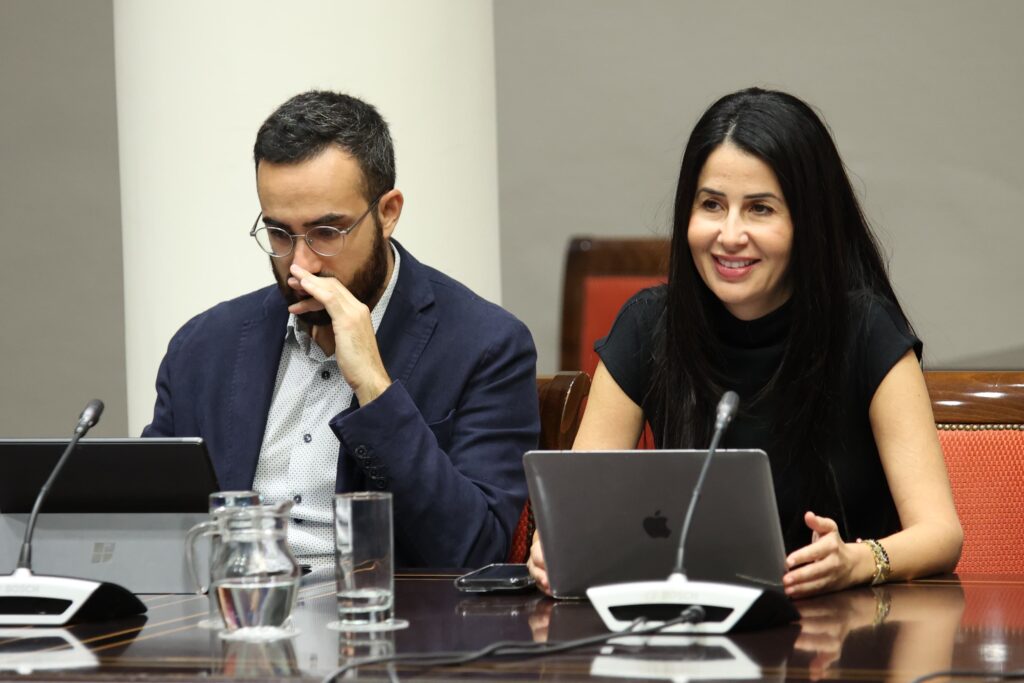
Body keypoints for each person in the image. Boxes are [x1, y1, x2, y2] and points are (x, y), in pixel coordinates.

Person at [528, 87, 962, 597]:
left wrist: (857, 560)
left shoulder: (867, 332)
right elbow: (578, 504)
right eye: (712, 205)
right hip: (693, 633)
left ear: (809, 222)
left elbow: (940, 534)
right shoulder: (648, 325)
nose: (729, 235)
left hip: (838, 635)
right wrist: (558, 542)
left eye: (760, 209)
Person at [144, 90, 539, 568]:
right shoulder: (204, 347)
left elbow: (476, 551)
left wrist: (374, 386)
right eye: (279, 234)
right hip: (232, 621)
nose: (301, 264)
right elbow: (152, 529)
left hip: (383, 627)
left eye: (327, 233)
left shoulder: (485, 345)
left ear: (388, 212)